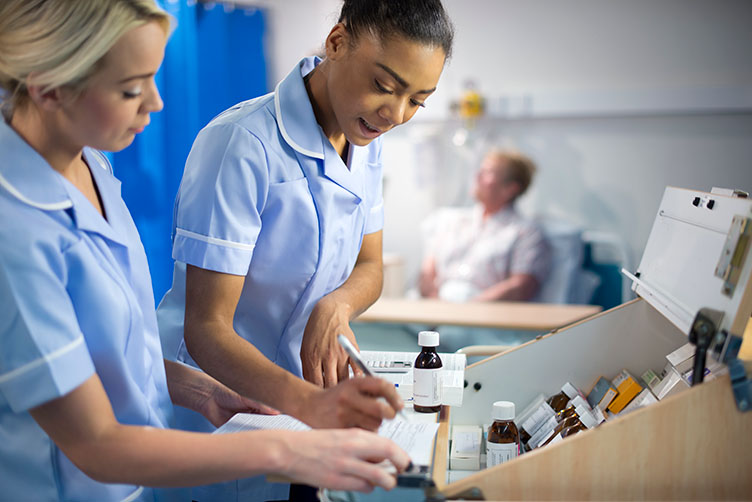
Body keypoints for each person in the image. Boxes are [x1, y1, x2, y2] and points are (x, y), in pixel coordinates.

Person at [0, 1, 410, 501]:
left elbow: (107, 349)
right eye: (131, 88)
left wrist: (194, 387)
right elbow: (94, 444)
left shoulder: (92, 165)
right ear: (48, 87)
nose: (156, 103)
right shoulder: (14, 232)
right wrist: (290, 449)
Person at [156, 1, 453, 498]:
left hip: (298, 413)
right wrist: (310, 406)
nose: (395, 114)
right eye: (384, 85)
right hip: (220, 410)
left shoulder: (366, 140)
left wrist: (336, 306)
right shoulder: (241, 143)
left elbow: (370, 266)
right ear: (336, 42)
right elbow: (206, 329)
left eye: (417, 100)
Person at [419, 149, 551, 303]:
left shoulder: (525, 232)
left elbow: (521, 287)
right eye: (480, 170)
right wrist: (436, 305)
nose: (477, 176)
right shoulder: (452, 222)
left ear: (510, 189)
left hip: (483, 314)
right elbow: (427, 272)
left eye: (488, 172)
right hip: (435, 309)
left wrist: (468, 309)